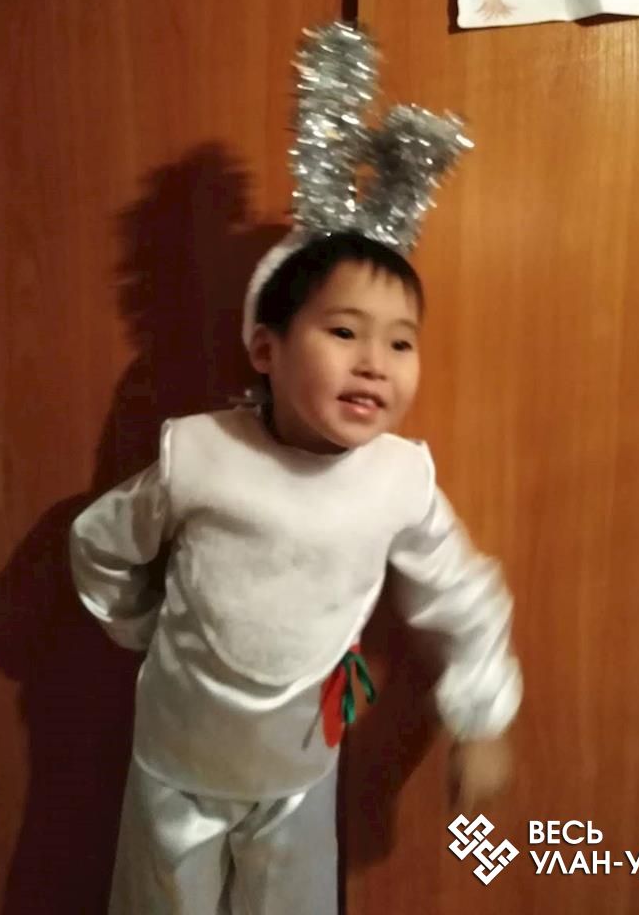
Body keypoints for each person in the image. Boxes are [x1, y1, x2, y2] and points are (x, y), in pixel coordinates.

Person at [70, 228, 522, 914]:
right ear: (266, 349)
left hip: (301, 771)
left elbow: (462, 592)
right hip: (177, 760)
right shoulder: (202, 455)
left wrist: (481, 715)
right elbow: (100, 543)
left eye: (401, 343)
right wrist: (141, 626)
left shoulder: (399, 480)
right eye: (344, 332)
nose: (375, 363)